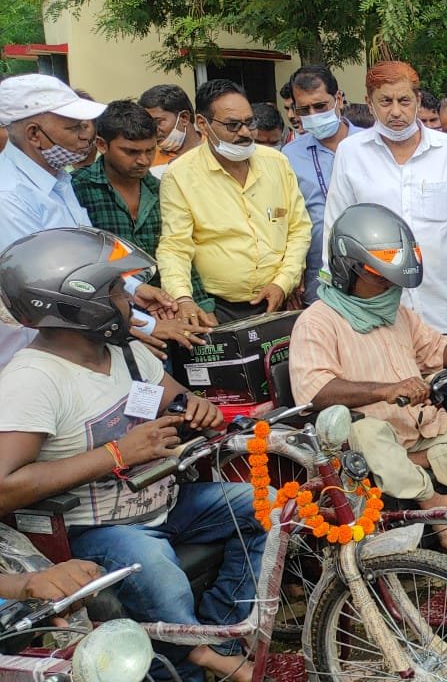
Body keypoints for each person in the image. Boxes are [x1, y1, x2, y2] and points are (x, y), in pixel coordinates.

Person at [0, 227, 262, 682]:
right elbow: (6, 486)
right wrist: (117, 453)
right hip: (94, 528)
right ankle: (191, 663)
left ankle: (217, 634)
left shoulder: (125, 352)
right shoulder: (33, 380)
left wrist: (193, 408)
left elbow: (172, 397)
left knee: (269, 505)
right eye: (118, 292)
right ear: (81, 304)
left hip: (165, 502)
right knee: (160, 573)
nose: (130, 301)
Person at [289, 204, 447, 558]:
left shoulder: (398, 313)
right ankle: (431, 501)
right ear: (349, 269)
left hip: (419, 431)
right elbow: (315, 392)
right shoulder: (317, 321)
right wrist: (386, 391)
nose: (390, 286)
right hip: (369, 437)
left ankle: (406, 467)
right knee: (366, 433)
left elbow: (438, 349)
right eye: (380, 278)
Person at [0, 74, 179, 368]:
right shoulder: (9, 198)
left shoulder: (58, 180)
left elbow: (86, 260)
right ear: (34, 134)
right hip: (41, 354)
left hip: (78, 341)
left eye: (85, 125)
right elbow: (52, 289)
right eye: (74, 127)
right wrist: (144, 324)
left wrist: (132, 287)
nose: (86, 135)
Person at [324, 61, 447, 340]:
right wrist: (334, 291)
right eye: (385, 101)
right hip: (379, 306)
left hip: (443, 303)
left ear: (417, 100)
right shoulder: (351, 153)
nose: (395, 111)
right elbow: (335, 226)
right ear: (370, 103)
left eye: (404, 101)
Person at [156, 78, 311, 322]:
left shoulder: (277, 163)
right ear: (203, 124)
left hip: (279, 300)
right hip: (218, 309)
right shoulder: (180, 175)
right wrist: (183, 299)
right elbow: (175, 246)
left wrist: (283, 283)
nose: (245, 133)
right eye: (233, 125)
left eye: (250, 122)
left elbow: (299, 229)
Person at [72, 101, 217, 331]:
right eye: (131, 152)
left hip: (168, 311)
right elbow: (79, 262)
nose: (143, 160)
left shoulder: (163, 189)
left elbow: (180, 250)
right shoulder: (77, 189)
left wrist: (203, 308)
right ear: (101, 144)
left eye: (150, 150)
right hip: (107, 318)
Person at [282, 65, 365, 305]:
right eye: (304, 109)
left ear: (338, 99)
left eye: (320, 106)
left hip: (372, 274)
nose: (313, 114)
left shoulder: (371, 144)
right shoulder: (289, 156)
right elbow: (288, 221)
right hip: (319, 279)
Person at [138, 84, 201, 171]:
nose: (153, 130)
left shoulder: (215, 149)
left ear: (184, 118)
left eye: (158, 122)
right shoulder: (148, 161)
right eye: (148, 124)